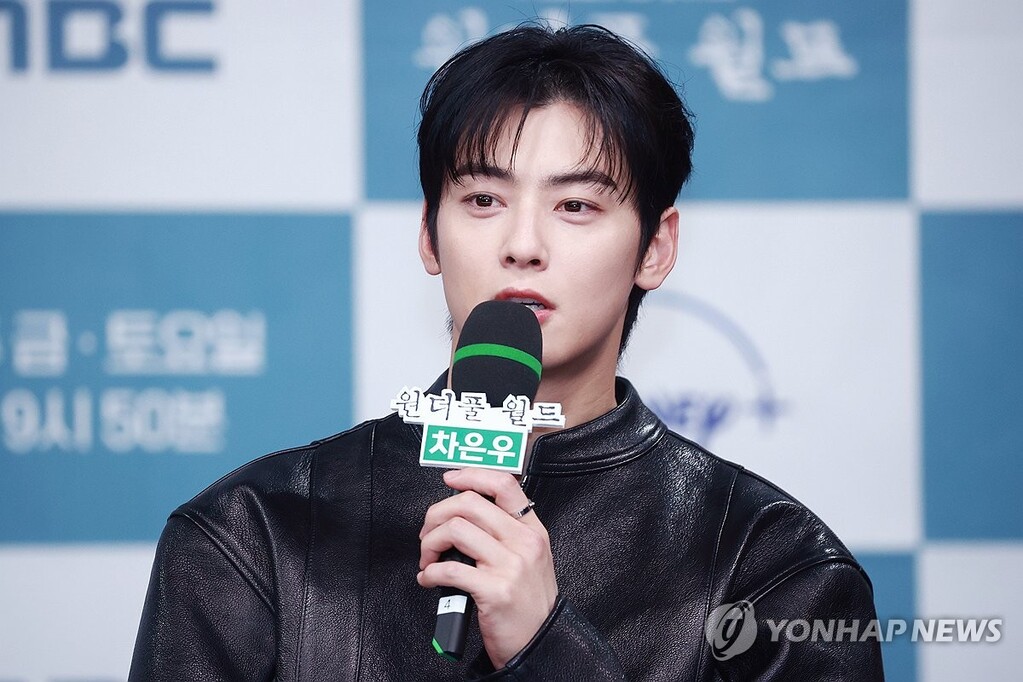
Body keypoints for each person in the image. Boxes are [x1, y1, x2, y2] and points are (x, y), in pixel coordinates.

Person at [130, 24, 884, 680]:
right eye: (483, 201)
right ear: (429, 234)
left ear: (655, 248)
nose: (523, 245)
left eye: (575, 205)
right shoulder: (254, 533)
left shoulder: (773, 566)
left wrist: (547, 646)